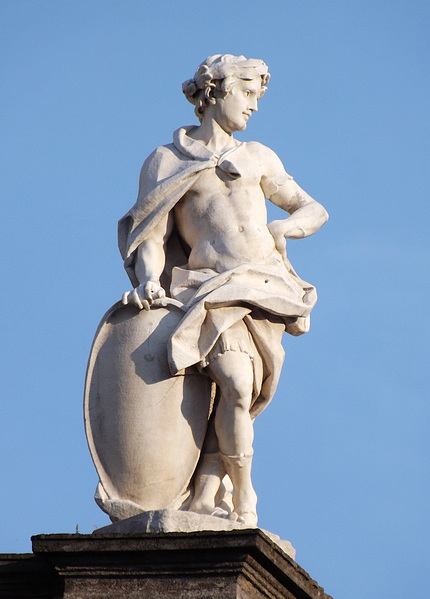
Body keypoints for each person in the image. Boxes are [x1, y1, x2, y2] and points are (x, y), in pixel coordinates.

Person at [119, 54, 328, 526]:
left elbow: (313, 209)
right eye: (248, 93)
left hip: (267, 288)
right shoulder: (167, 159)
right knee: (235, 384)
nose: (254, 106)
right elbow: (152, 236)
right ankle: (247, 499)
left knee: (245, 396)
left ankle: (206, 495)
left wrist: (285, 230)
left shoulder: (258, 156)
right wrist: (150, 280)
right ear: (216, 91)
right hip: (211, 289)